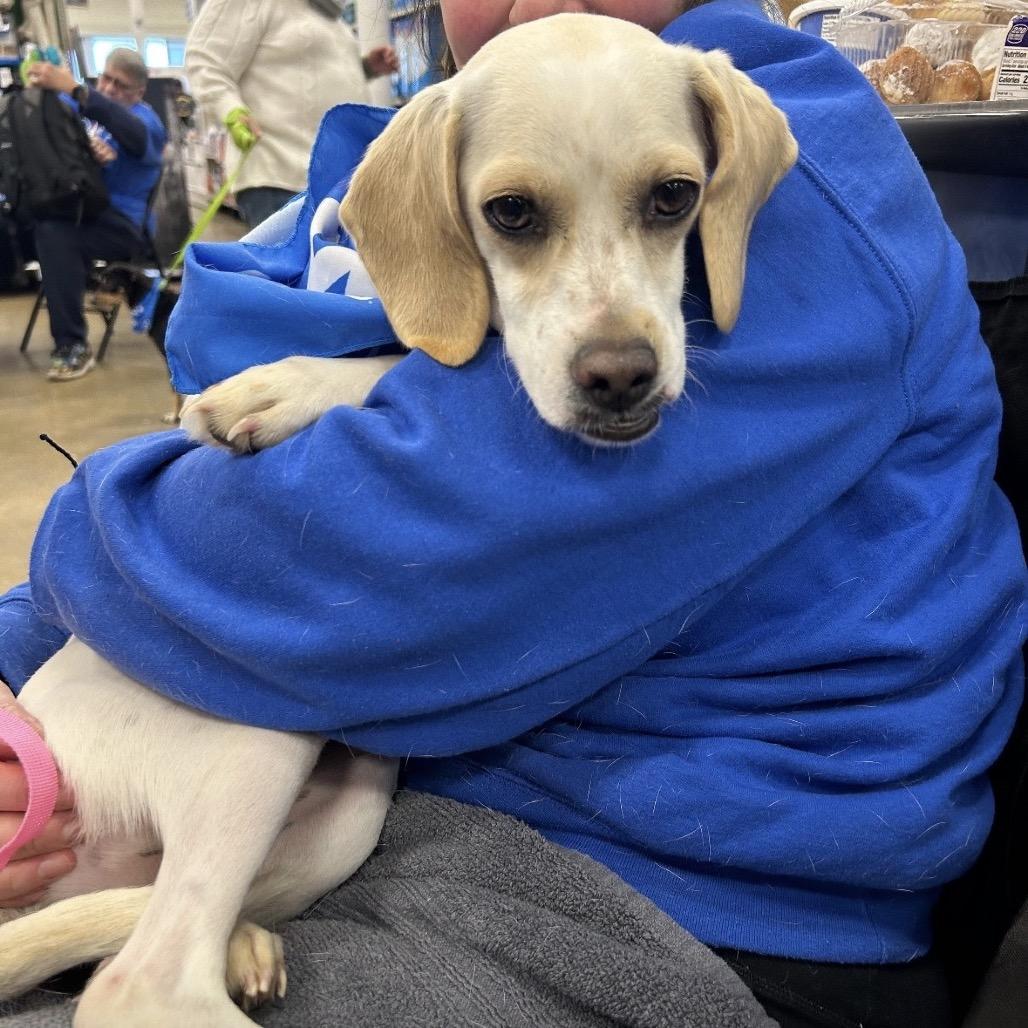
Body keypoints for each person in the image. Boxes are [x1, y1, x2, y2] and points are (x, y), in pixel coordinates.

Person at [1, 0, 1026, 1025]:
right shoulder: (444, 134)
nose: (612, 343)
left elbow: (335, 573)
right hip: (411, 825)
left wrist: (83, 520)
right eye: (518, 217)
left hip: (673, 909)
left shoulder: (792, 161)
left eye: (665, 201)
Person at [185, 0, 399, 230]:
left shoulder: (329, 14)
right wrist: (230, 109)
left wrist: (365, 67)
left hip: (333, 180)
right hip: (279, 176)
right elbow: (205, 58)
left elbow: (308, 72)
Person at [25, 49, 166, 382]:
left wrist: (77, 89)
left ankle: (73, 345)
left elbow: (130, 134)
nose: (110, 88)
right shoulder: (84, 109)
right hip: (78, 212)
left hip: (122, 226)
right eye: (105, 79)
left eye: (121, 85)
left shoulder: (147, 122)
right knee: (33, 222)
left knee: (55, 235)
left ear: (139, 93)